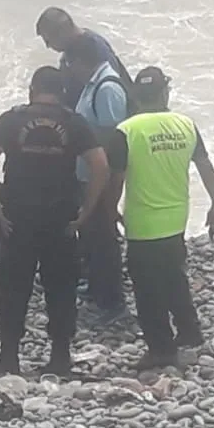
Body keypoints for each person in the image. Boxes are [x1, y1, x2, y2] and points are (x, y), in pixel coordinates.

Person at [0, 66, 110, 375]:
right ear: (62, 91)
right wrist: (85, 212)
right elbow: (100, 167)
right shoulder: (74, 122)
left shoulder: (12, 119)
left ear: (32, 88)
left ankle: (9, 357)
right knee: (61, 287)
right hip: (60, 216)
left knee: (13, 286)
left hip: (17, 215)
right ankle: (60, 356)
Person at [108, 67, 214, 370]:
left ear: (135, 95)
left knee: (147, 290)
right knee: (174, 276)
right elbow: (205, 166)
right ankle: (189, 331)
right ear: (165, 93)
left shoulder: (126, 131)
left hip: (143, 223)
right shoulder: (185, 125)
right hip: (176, 220)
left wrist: (109, 211)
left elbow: (116, 179)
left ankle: (161, 349)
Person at [67, 32, 130, 320]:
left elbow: (114, 139)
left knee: (104, 236)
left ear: (81, 61)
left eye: (70, 63)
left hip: (99, 177)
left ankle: (112, 302)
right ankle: (95, 287)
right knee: (91, 233)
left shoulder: (107, 88)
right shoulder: (92, 84)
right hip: (88, 174)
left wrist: (104, 181)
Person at [35, 6, 135, 110]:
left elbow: (113, 90)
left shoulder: (96, 49)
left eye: (48, 41)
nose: (48, 46)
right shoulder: (69, 50)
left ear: (62, 33)